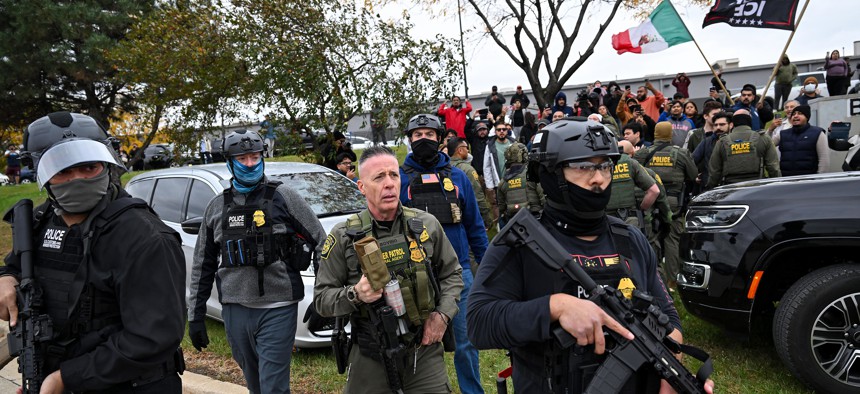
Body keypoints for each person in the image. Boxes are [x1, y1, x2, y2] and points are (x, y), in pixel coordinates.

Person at [467, 118, 714, 394]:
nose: (598, 179)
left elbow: (669, 318)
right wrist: (556, 307)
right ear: (551, 174)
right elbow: (479, 322)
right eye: (584, 167)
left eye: (604, 166)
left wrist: (671, 370)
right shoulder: (520, 243)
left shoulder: (630, 239)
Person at [0, 111, 186, 392]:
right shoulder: (40, 222)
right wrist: (6, 278)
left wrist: (64, 378)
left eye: (89, 167)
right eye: (63, 171)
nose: (78, 178)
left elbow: (152, 337)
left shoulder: (145, 237)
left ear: (107, 164)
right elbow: (16, 266)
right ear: (43, 174)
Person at [313, 145, 464, 393]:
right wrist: (355, 294)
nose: (389, 184)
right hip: (371, 353)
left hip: (422, 351)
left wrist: (442, 315)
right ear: (361, 187)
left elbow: (452, 274)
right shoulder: (343, 236)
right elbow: (322, 299)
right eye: (379, 177)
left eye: (393, 175)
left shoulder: (426, 225)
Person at [187, 130, 325, 394]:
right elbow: (202, 264)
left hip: (279, 307)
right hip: (235, 310)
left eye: (255, 156)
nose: (250, 163)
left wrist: (322, 298)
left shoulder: (284, 197)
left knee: (273, 387)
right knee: (254, 384)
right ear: (230, 162)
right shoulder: (217, 207)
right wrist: (196, 316)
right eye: (242, 158)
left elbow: (321, 241)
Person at [399, 114, 488, 394]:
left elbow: (475, 225)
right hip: (414, 275)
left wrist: (486, 267)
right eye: (417, 135)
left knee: (465, 342)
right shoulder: (399, 179)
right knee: (416, 343)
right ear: (409, 139)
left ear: (440, 138)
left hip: (457, 272)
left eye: (429, 134)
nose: (423, 139)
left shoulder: (459, 176)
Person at [634, 122, 697, 287]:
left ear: (654, 134)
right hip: (673, 202)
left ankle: (654, 278)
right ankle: (672, 281)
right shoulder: (681, 153)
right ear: (671, 134)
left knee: (651, 238)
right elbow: (693, 174)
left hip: (651, 201)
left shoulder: (642, 154)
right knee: (672, 240)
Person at [706, 110, 781, 189]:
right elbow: (773, 168)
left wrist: (710, 188)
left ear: (733, 123)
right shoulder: (763, 138)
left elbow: (714, 171)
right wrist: (778, 187)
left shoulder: (722, 141)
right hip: (757, 187)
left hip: (730, 189)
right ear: (749, 121)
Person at [605, 137, 660, 233]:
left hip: (606, 220)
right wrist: (641, 209)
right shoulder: (631, 163)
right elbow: (654, 191)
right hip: (631, 219)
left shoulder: (600, 164)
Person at [448, 137, 493, 231]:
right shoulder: (467, 169)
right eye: (466, 147)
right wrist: (486, 217)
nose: (468, 150)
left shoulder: (443, 168)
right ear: (460, 150)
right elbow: (478, 195)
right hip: (466, 214)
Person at [772, 105, 830, 176]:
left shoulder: (818, 133)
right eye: (793, 114)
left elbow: (824, 159)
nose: (795, 116)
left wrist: (819, 179)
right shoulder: (783, 134)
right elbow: (767, 145)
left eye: (800, 113)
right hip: (786, 179)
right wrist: (770, 129)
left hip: (809, 180)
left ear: (807, 117)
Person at [496, 142, 544, 228]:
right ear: (524, 155)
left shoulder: (502, 182)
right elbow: (543, 199)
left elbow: (501, 208)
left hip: (514, 225)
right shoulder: (532, 175)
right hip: (537, 221)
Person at [484, 120, 514, 224]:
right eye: (499, 130)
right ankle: (502, 231)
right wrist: (490, 185)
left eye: (504, 129)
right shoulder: (490, 145)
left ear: (507, 131)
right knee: (501, 209)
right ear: (495, 131)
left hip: (513, 181)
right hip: (498, 183)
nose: (501, 131)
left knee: (513, 206)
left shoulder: (514, 143)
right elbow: (486, 166)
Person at [692, 111, 731, 192]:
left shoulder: (734, 141)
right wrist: (693, 175)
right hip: (709, 187)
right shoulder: (707, 142)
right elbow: (692, 160)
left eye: (722, 124)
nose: (718, 127)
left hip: (729, 185)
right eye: (715, 125)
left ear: (730, 125)